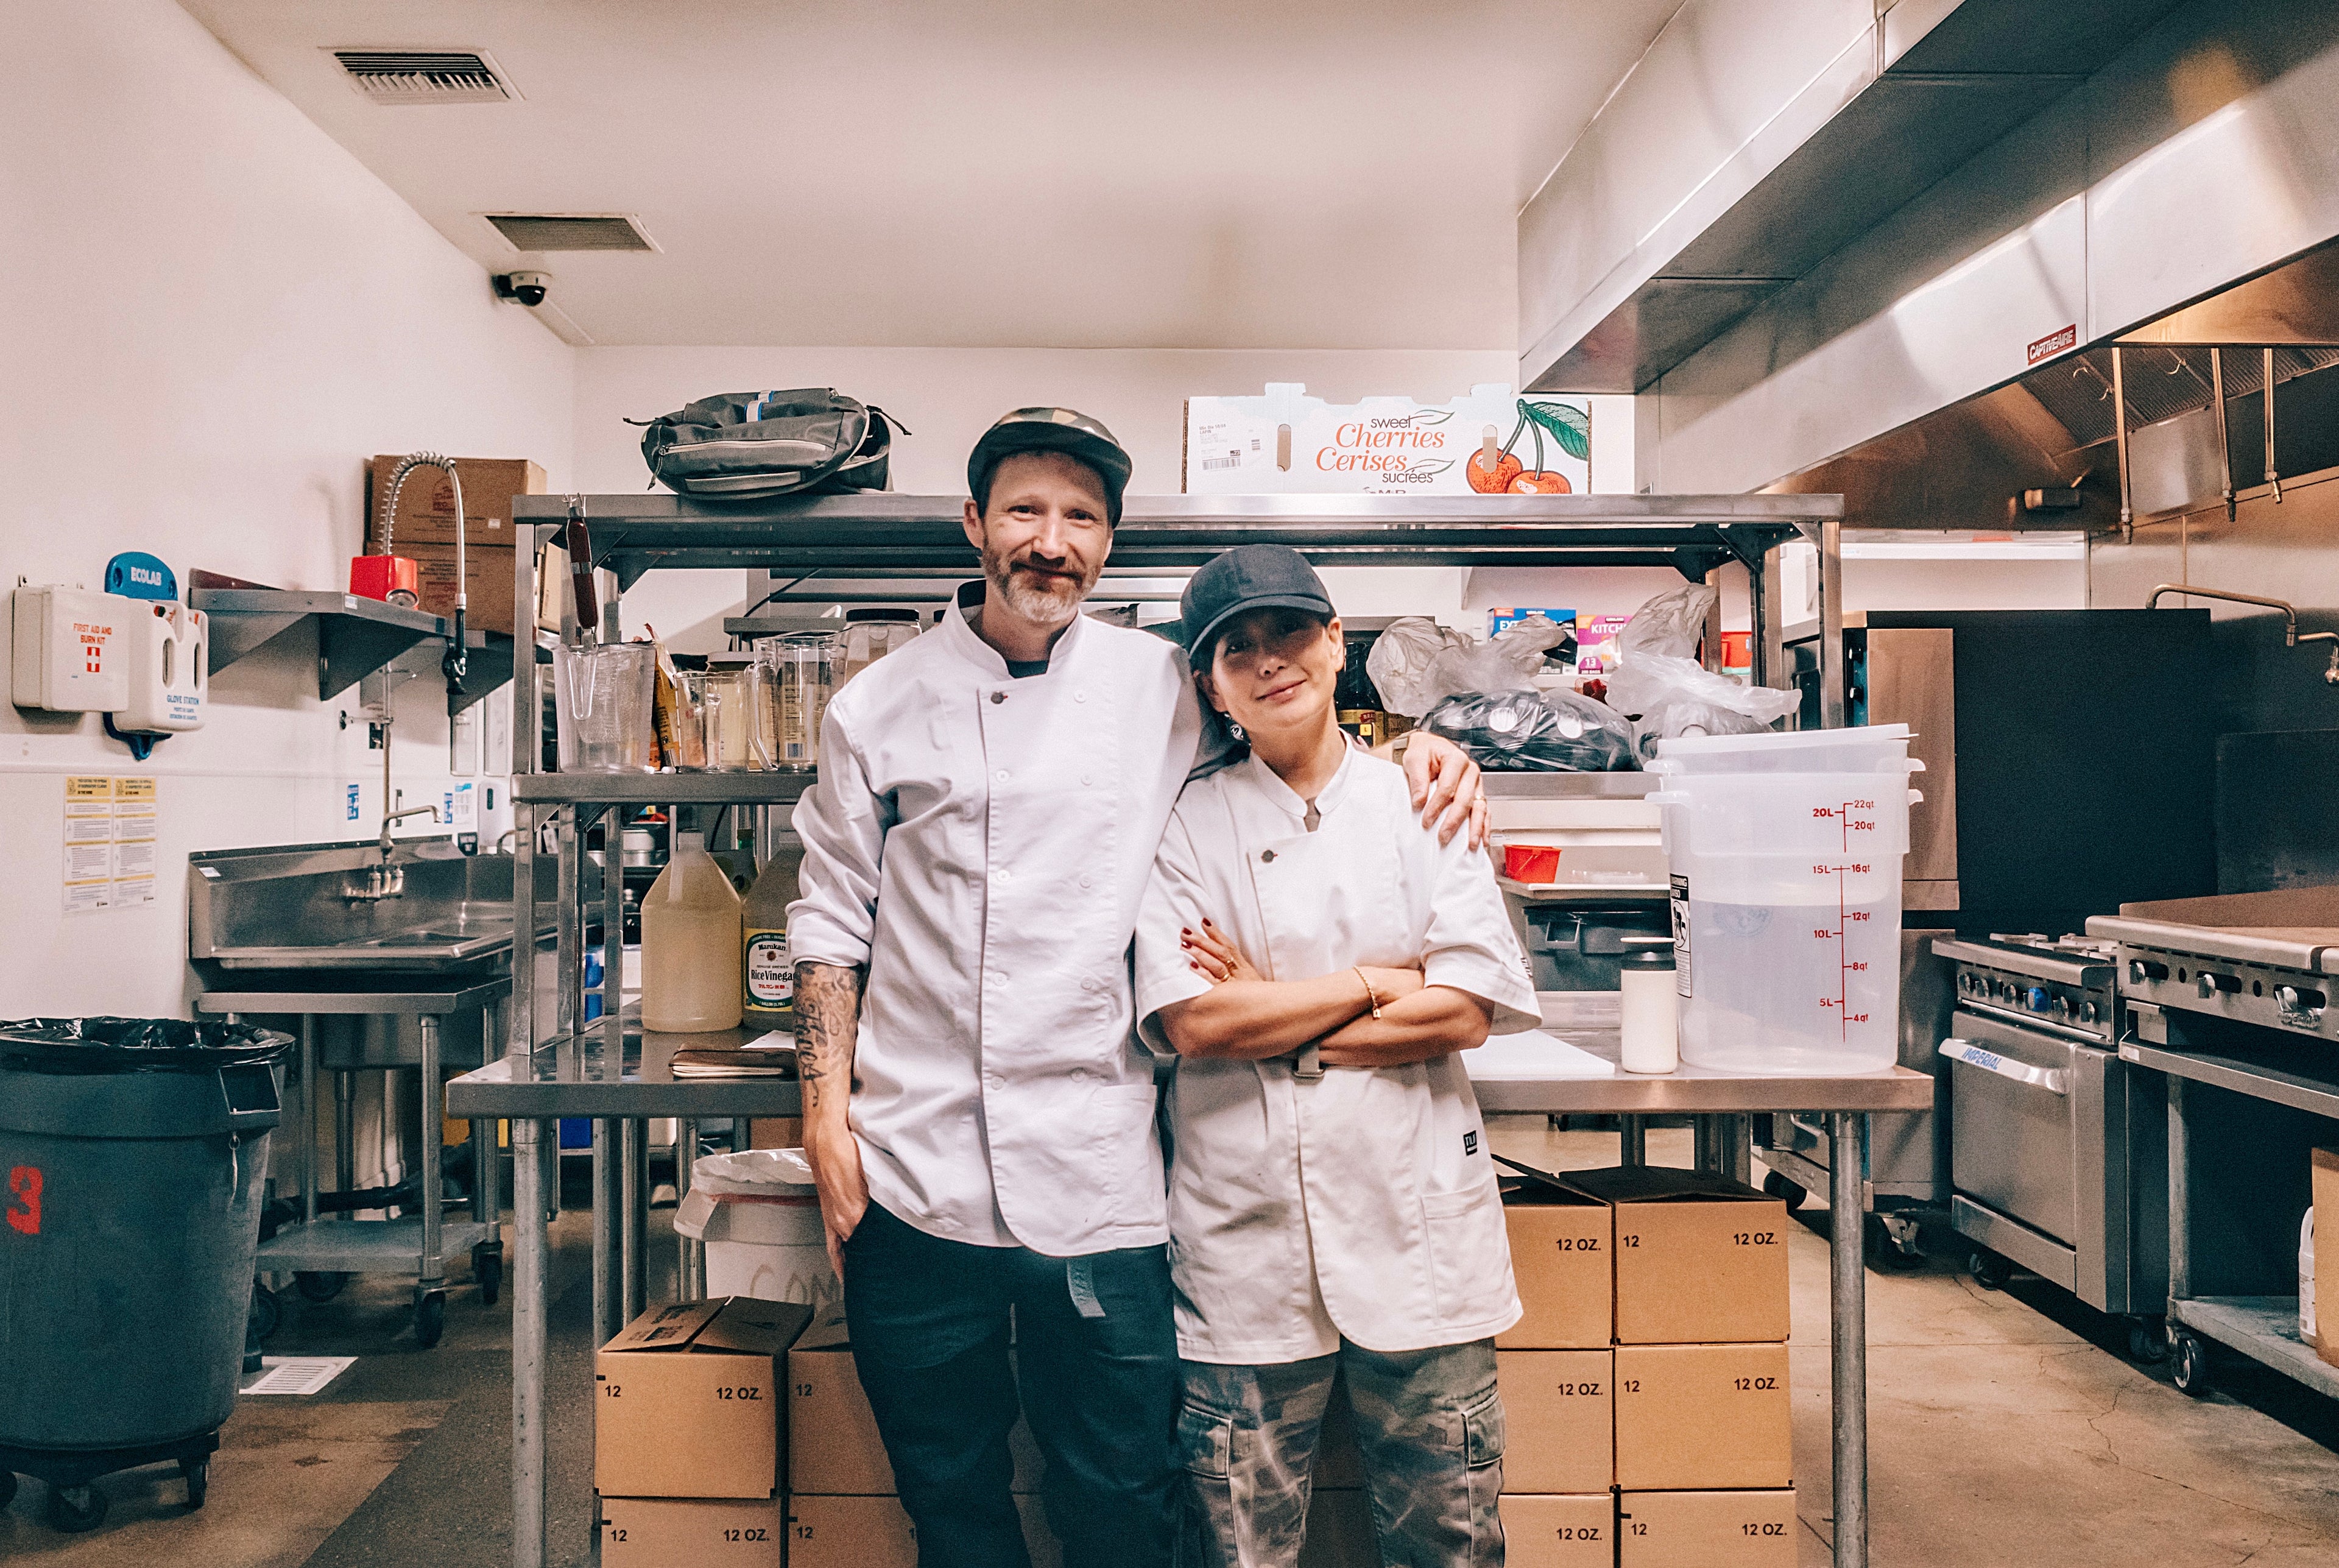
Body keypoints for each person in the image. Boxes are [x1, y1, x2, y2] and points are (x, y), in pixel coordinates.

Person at [785, 409, 1490, 1568]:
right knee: (950, 1500)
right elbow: (830, 918)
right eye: (1024, 509)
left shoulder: (1166, 682)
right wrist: (823, 1122)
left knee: (1119, 1503)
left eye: (1081, 518)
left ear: (1107, 545)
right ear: (974, 522)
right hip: (911, 1171)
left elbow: (1297, 724)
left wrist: (1417, 745)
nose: (1050, 540)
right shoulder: (877, 704)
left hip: (1100, 1173)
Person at [1134, 544, 1541, 1568]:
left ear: (1336, 643)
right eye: (1238, 650)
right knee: (1238, 1552)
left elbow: (1464, 1011)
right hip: (1244, 1253)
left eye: (1291, 633)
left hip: (1421, 1246)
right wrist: (1380, 979)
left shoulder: (1425, 797)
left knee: (1451, 1545)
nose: (1271, 662)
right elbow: (1195, 1025)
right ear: (1210, 684)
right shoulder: (1180, 823)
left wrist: (1267, 1007)